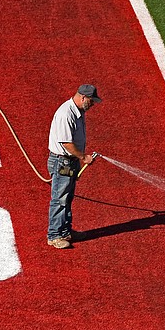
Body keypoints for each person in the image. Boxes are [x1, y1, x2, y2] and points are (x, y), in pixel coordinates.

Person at [46, 84, 101, 249]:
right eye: (91, 101)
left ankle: (65, 231)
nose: (92, 105)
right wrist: (83, 157)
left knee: (67, 198)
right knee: (59, 199)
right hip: (62, 161)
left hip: (70, 161)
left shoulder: (78, 111)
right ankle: (54, 235)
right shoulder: (66, 114)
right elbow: (66, 143)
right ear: (83, 97)